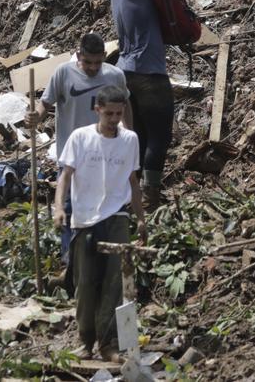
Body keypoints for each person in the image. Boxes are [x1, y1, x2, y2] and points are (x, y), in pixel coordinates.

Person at [53, 86, 145, 362]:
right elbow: (65, 176)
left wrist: (141, 218)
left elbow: (133, 181)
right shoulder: (81, 138)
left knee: (115, 282)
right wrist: (60, 208)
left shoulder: (130, 140)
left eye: (118, 113)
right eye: (109, 113)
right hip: (84, 219)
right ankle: (85, 341)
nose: (114, 118)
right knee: (86, 283)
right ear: (97, 110)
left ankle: (109, 343)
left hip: (117, 216)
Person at [27, 33, 131, 268]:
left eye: (98, 62)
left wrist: (129, 135)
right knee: (72, 208)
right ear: (78, 55)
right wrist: (35, 118)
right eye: (88, 62)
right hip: (72, 154)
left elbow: (126, 105)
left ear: (105, 56)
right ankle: (70, 261)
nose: (93, 68)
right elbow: (45, 104)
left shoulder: (115, 76)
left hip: (106, 153)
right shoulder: (63, 73)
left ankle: (102, 257)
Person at [111, 0, 201, 209]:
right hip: (148, 72)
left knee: (137, 135)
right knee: (159, 136)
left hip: (125, 70)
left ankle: (130, 194)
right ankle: (150, 196)